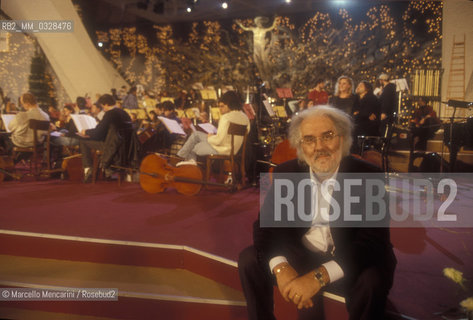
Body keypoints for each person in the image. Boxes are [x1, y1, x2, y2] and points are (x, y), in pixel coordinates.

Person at [238, 105, 396, 320]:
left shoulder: (369, 175)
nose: (319, 147)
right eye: (309, 139)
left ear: (343, 138)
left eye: (328, 136)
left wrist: (317, 278)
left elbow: (371, 243)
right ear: (300, 146)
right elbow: (266, 227)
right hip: (304, 253)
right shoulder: (286, 173)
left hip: (350, 256)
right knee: (249, 259)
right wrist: (282, 268)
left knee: (372, 281)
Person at [176, 91, 250, 166]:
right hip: (234, 150)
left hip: (222, 149)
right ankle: (185, 158)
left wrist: (209, 138)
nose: (220, 109)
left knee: (195, 145)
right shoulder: (245, 117)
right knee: (196, 134)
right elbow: (246, 133)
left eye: (222, 106)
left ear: (229, 104)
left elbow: (219, 140)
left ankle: (180, 159)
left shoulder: (226, 118)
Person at [78, 94, 132, 183]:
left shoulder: (110, 114)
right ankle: (108, 170)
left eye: (103, 106)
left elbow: (99, 132)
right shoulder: (123, 113)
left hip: (112, 147)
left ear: (106, 104)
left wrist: (86, 132)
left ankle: (88, 169)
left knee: (83, 140)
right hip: (125, 146)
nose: (103, 109)